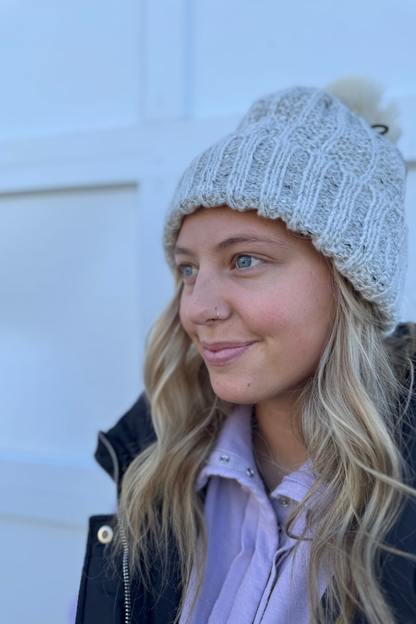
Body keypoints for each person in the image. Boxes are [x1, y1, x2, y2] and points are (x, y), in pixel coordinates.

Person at [75, 78, 416, 624]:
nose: (197, 308)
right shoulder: (154, 469)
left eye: (244, 261)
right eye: (189, 269)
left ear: (350, 281)